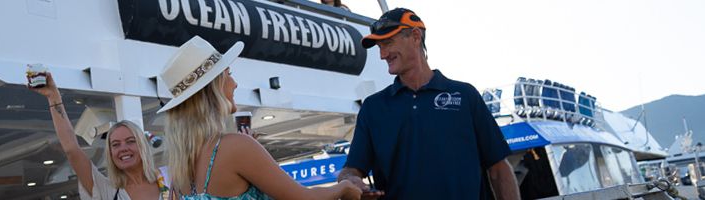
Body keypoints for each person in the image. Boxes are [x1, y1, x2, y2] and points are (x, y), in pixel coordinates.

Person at [336, 8, 521, 200]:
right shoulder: (373, 108)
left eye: (388, 43)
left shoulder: (465, 96)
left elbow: (499, 169)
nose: (383, 54)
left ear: (415, 36)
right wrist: (349, 181)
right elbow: (351, 170)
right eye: (379, 47)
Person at [157, 36, 362, 199]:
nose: (234, 83)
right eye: (228, 74)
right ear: (214, 89)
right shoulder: (236, 147)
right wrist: (343, 188)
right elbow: (303, 197)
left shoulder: (180, 165)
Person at [32, 74, 166, 199]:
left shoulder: (169, 179)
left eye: (130, 141)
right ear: (111, 153)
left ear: (143, 146)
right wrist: (54, 97)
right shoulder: (106, 190)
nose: (123, 148)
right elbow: (72, 149)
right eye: (115, 145)